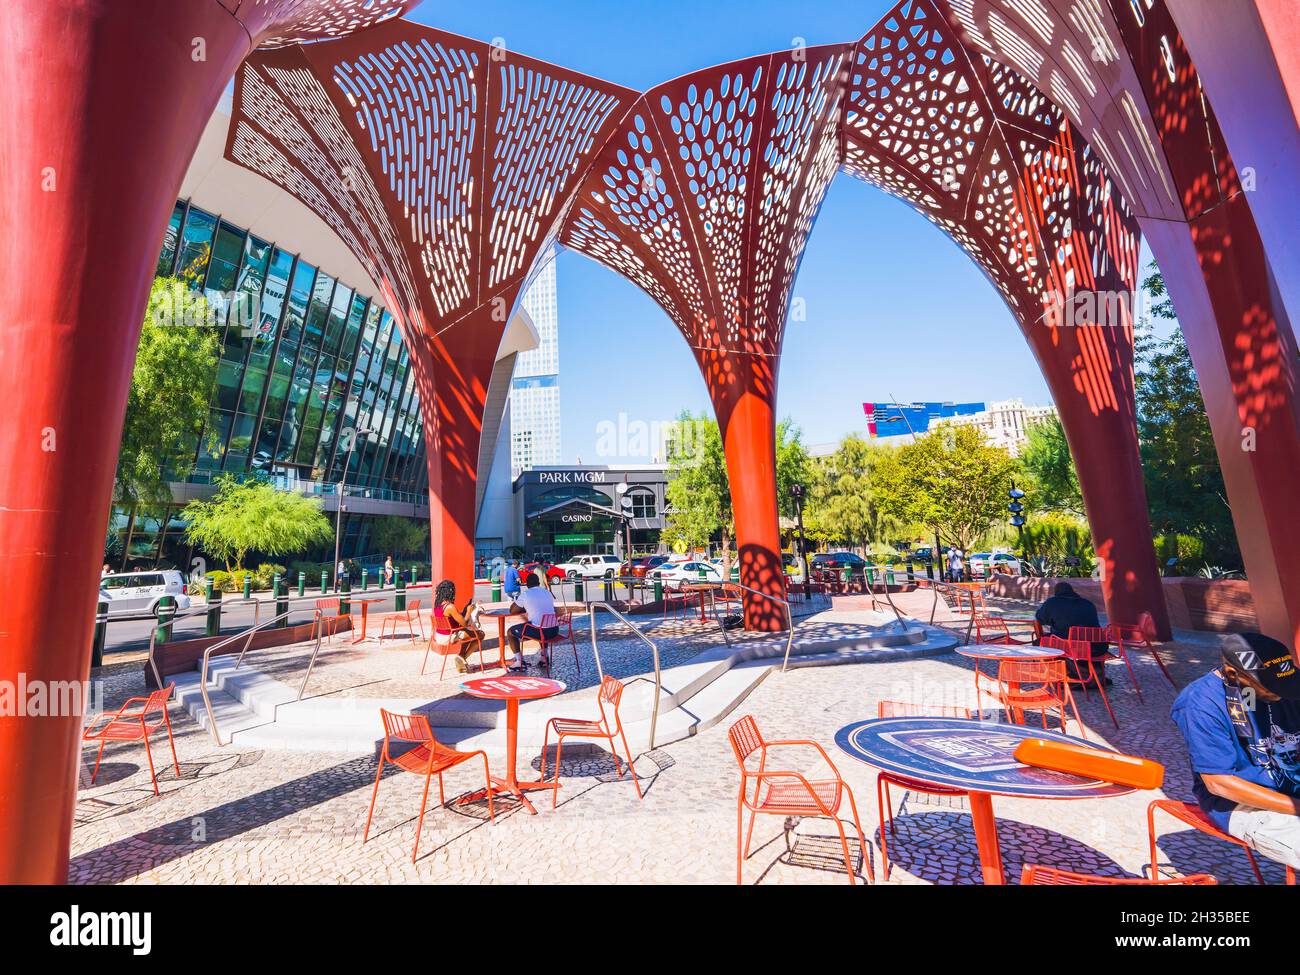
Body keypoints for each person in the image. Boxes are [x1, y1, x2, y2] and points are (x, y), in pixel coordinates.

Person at [1171, 632, 1300, 871]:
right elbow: (1219, 783)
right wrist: (1295, 807)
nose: (1282, 695)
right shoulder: (1201, 703)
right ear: (1233, 674)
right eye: (1271, 689)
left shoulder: (1287, 685)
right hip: (1243, 803)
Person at [1034, 581, 1109, 683]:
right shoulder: (1088, 603)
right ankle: (1089, 673)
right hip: (1098, 646)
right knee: (1063, 638)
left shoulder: (1052, 602)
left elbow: (1040, 618)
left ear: (1056, 593)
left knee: (1039, 642)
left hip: (1072, 646)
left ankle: (1060, 674)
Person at [506, 573, 558, 672]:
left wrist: (524, 608)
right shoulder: (547, 592)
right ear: (538, 583)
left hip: (540, 632)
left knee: (510, 632)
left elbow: (512, 610)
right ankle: (544, 657)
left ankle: (519, 661)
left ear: (527, 584)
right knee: (539, 623)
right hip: (554, 630)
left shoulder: (526, 594)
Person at [431, 579, 484, 674]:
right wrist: (469, 611)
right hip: (449, 637)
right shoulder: (450, 607)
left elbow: (457, 620)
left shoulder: (437, 606)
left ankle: (461, 658)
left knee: (467, 633)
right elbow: (464, 623)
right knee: (480, 635)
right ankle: (462, 657)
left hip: (438, 636)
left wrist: (464, 610)